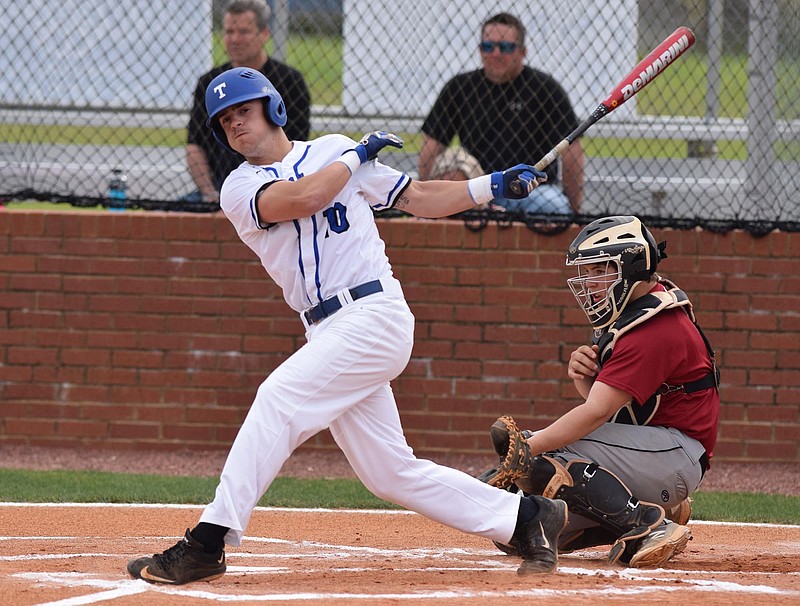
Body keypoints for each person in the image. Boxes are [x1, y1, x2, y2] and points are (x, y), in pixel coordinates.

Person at [127, 66, 569, 585]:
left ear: (272, 109)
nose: (236, 126)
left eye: (244, 111)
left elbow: (418, 198)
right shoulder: (240, 186)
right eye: (225, 121)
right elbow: (303, 199)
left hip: (374, 314)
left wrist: (491, 184)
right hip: (327, 329)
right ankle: (525, 518)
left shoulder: (330, 150)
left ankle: (208, 542)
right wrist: (355, 156)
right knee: (388, 472)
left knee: (276, 399)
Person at [482, 215, 720, 567]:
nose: (590, 283)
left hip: (675, 454)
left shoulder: (654, 329)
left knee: (546, 461)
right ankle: (655, 508)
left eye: (599, 272)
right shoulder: (640, 309)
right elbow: (618, 409)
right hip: (654, 447)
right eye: (588, 273)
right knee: (523, 528)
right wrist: (585, 380)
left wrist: (528, 446)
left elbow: (596, 413)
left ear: (630, 267)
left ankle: (648, 525)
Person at [418, 12, 584, 215]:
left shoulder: (545, 89)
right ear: (480, 50)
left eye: (505, 47)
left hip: (531, 192)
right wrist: (423, 203)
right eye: (488, 46)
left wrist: (574, 212)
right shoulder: (460, 88)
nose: (496, 53)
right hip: (478, 189)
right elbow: (431, 147)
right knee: (451, 175)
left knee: (555, 207)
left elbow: (572, 152)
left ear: (522, 52)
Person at [184, 0, 310, 203]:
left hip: (276, 187)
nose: (234, 39)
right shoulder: (211, 84)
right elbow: (194, 145)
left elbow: (295, 146)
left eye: (243, 32)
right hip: (218, 188)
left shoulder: (288, 81)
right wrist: (209, 194)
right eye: (228, 32)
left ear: (264, 34)